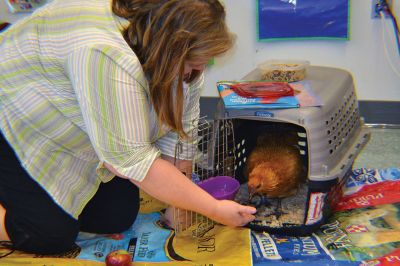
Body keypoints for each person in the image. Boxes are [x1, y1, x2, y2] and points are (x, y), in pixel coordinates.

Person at [0, 0, 256, 255]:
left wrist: (179, 206)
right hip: (16, 118)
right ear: (172, 48)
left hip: (72, 128)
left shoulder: (174, 59)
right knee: (48, 234)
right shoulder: (105, 52)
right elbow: (135, 161)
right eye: (193, 64)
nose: (199, 70)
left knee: (116, 216)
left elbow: (180, 133)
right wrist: (212, 208)